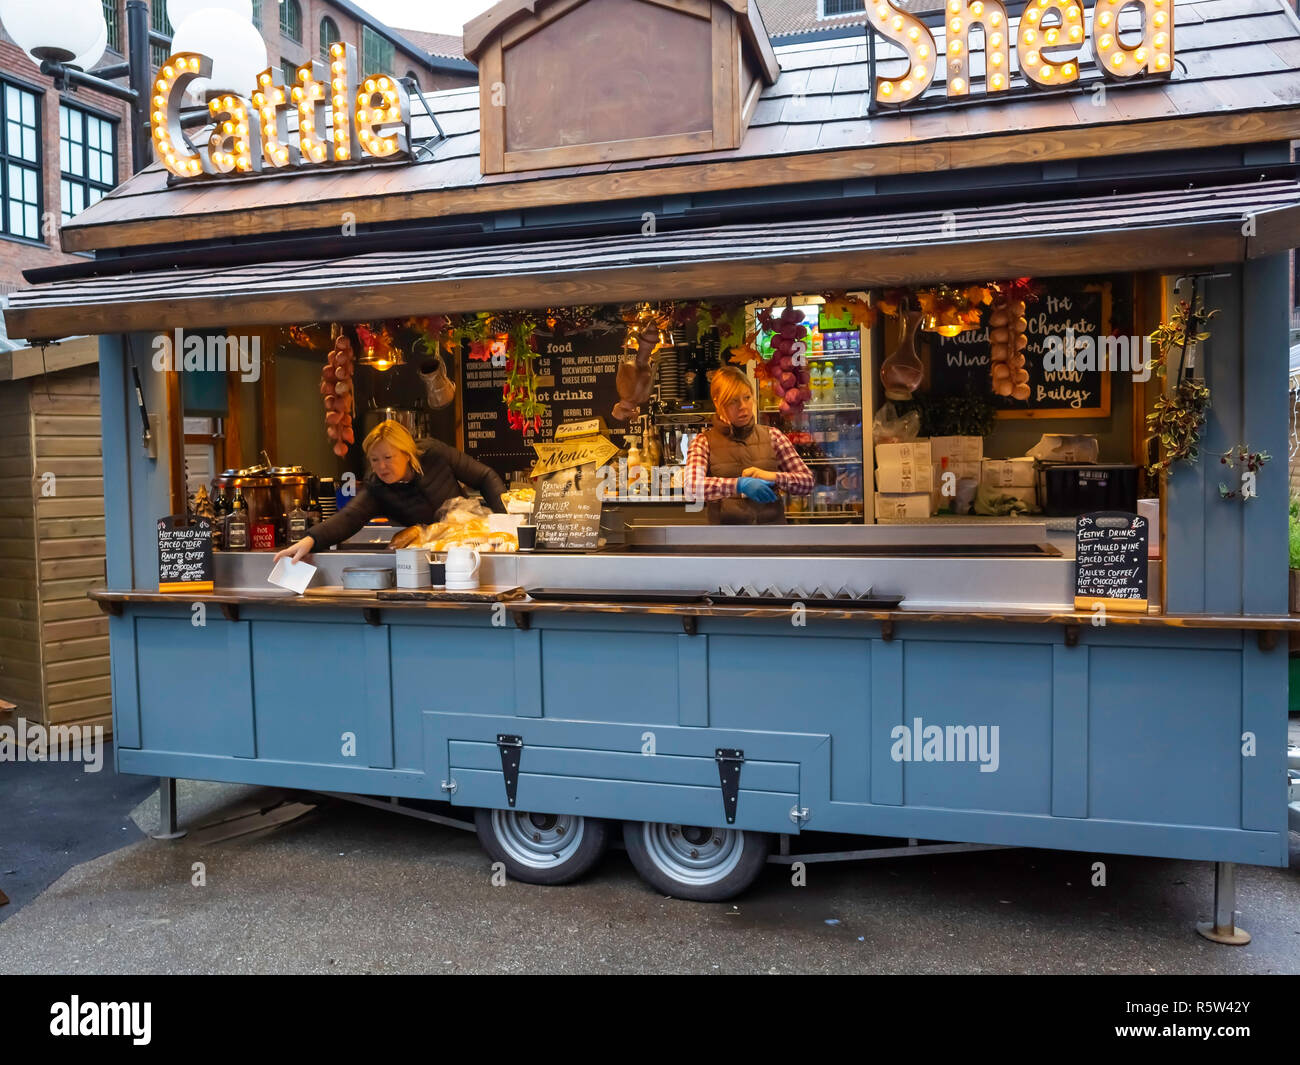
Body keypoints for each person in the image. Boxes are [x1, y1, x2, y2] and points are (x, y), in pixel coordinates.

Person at [274, 420, 507, 561]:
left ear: (407, 453)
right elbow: (349, 517)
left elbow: (485, 476)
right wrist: (310, 540)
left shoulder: (434, 454)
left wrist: (505, 523)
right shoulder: (377, 486)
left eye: (388, 457)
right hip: (424, 558)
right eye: (374, 460)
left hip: (468, 546)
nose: (381, 467)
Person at [684, 366, 814, 524]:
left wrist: (773, 477)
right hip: (726, 541)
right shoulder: (703, 442)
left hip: (772, 539)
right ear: (718, 403)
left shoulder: (773, 436)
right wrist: (738, 485)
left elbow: (807, 482)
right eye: (733, 401)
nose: (743, 406)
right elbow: (692, 487)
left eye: (747, 397)